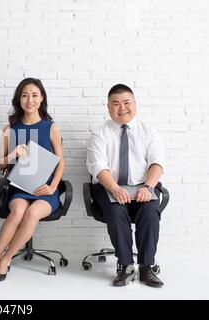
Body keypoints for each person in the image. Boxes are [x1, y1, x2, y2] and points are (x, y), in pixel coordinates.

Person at [0, 78, 65, 281]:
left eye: (35, 95)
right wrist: (13, 154)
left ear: (42, 98)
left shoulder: (51, 127)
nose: (30, 100)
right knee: (17, 211)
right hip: (19, 186)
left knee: (32, 213)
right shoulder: (10, 128)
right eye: (25, 95)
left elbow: (61, 162)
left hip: (45, 188)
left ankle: (6, 259)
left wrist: (53, 187)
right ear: (19, 99)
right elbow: (0, 164)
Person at [86, 84, 165, 287]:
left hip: (142, 186)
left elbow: (157, 163)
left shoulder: (149, 132)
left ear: (135, 104)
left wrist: (148, 187)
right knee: (116, 210)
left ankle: (147, 267)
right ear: (108, 106)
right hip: (109, 186)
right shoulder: (100, 134)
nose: (122, 108)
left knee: (149, 211)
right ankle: (126, 265)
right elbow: (98, 167)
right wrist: (115, 189)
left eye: (127, 102)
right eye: (116, 103)